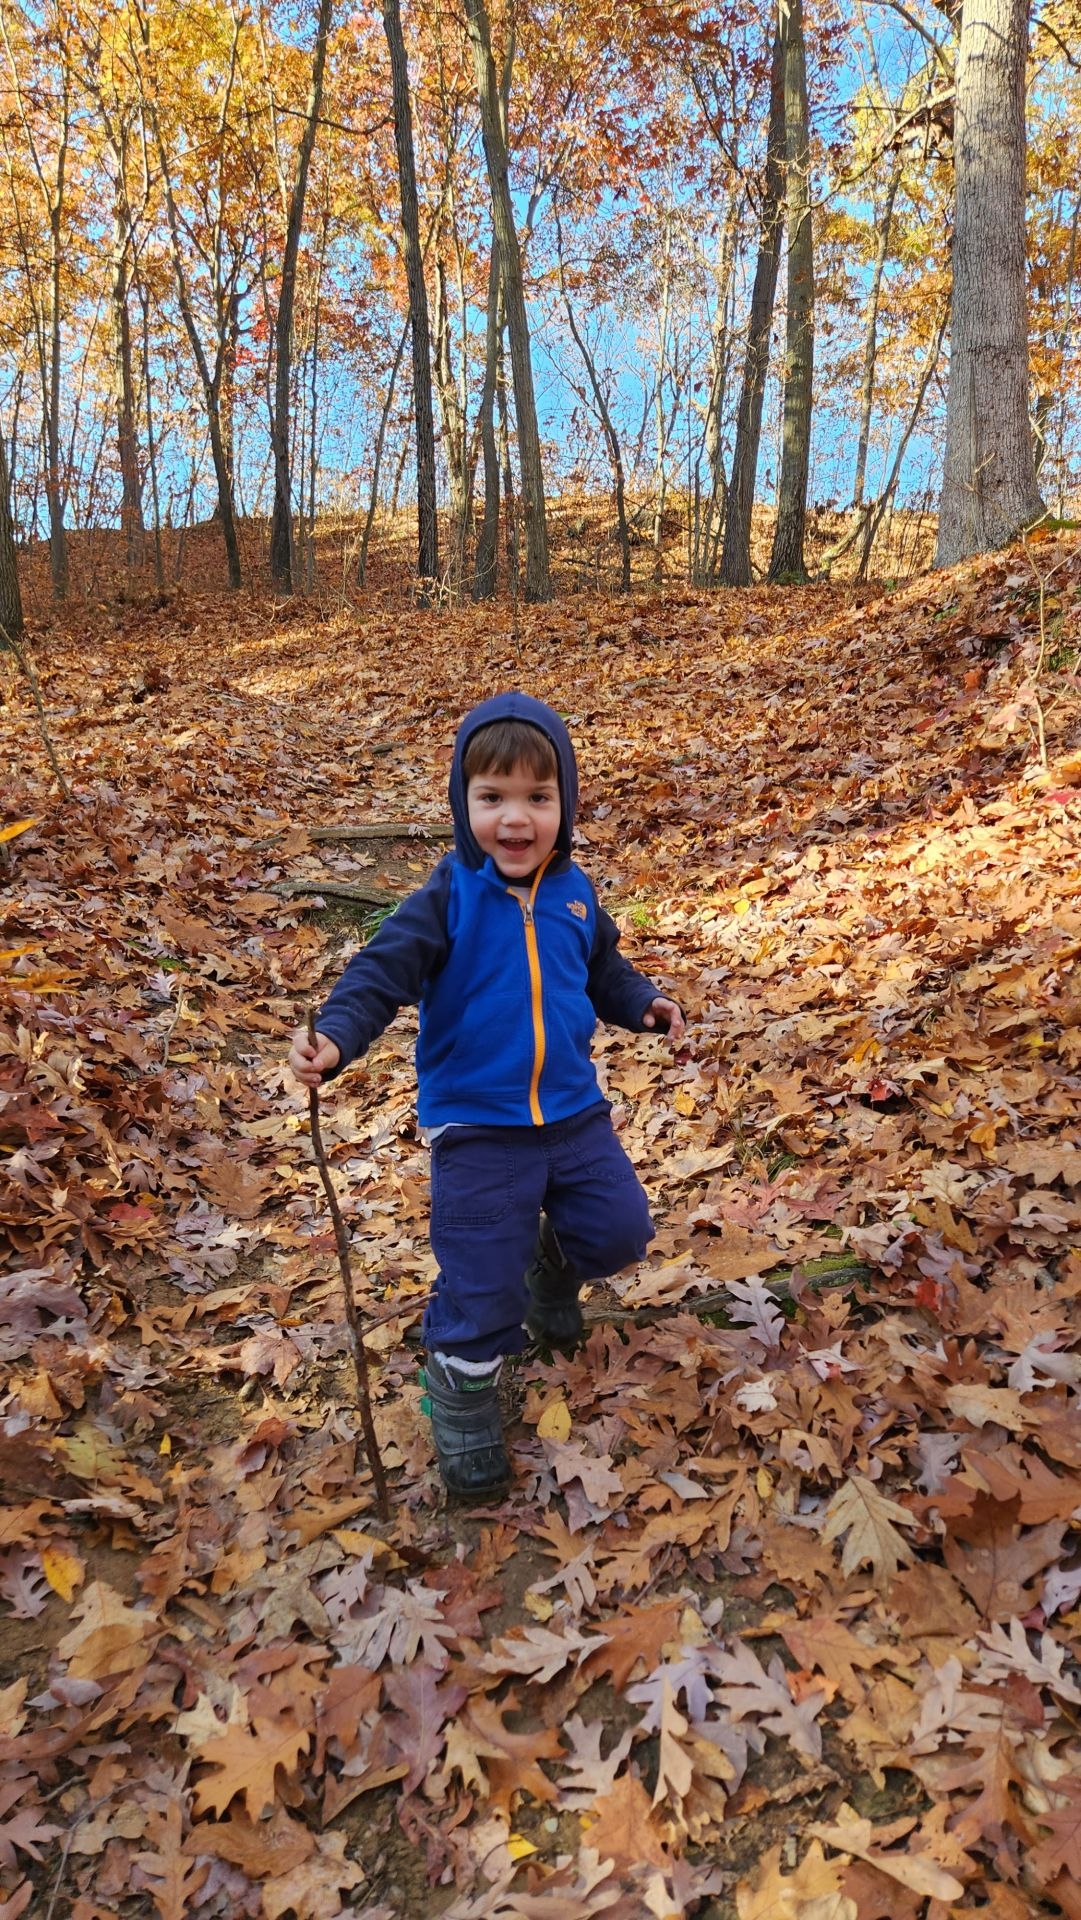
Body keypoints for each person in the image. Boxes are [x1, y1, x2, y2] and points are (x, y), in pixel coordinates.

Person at [288, 692, 684, 1497]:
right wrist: (336, 1034)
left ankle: (555, 1266)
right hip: (478, 1128)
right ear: (461, 803)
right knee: (479, 1278)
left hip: (572, 1111)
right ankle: (460, 1391)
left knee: (618, 1229)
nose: (514, 819)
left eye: (537, 799)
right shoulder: (446, 900)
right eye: (491, 797)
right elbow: (380, 972)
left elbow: (600, 968)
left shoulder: (574, 893)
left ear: (563, 805)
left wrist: (639, 1001)